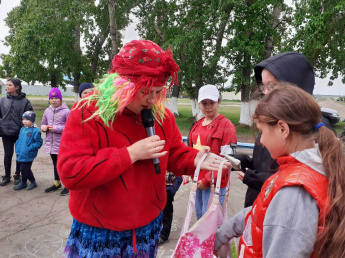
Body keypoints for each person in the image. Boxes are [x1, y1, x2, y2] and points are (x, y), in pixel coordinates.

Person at [57, 39, 230, 257]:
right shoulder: (89, 113)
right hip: (100, 229)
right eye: (145, 91)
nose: (152, 99)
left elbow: (174, 152)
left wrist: (195, 159)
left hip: (148, 226)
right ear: (122, 84)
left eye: (158, 91)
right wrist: (130, 154)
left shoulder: (161, 115)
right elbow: (71, 172)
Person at [215, 83, 345, 258]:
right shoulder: (302, 171)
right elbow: (264, 212)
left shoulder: (294, 192)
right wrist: (224, 232)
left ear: (283, 129)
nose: (261, 142)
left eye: (261, 132)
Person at [234, 52, 335, 208]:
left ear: (295, 85)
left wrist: (253, 178)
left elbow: (296, 181)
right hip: (258, 209)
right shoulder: (272, 119)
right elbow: (261, 162)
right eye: (264, 86)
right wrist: (236, 160)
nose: (265, 93)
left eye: (272, 86)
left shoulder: (313, 129)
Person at [188, 84, 237, 219]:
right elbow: (191, 151)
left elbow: (228, 161)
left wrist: (207, 180)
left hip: (214, 185)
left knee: (211, 225)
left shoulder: (226, 126)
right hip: (197, 181)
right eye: (204, 103)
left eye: (212, 102)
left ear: (219, 102)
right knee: (200, 221)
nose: (208, 106)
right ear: (199, 104)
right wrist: (188, 173)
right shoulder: (197, 124)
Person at [0, 78, 33, 186]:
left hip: (20, 133)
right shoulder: (3, 99)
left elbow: (30, 116)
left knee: (20, 154)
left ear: (17, 87)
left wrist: (23, 125)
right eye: (7, 85)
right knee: (8, 155)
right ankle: (6, 175)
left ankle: (17, 174)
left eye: (10, 85)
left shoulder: (25, 102)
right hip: (6, 132)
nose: (7, 87)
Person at [41, 88, 70, 196]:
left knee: (64, 165)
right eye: (51, 98)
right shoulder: (47, 111)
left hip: (62, 144)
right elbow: (43, 123)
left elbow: (70, 127)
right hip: (51, 144)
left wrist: (56, 128)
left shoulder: (66, 111)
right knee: (55, 164)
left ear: (60, 99)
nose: (54, 100)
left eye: (56, 98)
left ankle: (68, 186)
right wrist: (44, 127)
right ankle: (57, 183)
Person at [13, 111, 43, 190]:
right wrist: (17, 147)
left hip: (28, 154)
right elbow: (19, 140)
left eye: (27, 119)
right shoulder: (22, 129)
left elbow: (39, 142)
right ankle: (33, 182)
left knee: (24, 169)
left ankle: (23, 182)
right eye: (23, 119)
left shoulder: (35, 131)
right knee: (25, 169)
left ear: (32, 120)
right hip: (20, 153)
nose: (24, 121)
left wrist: (29, 148)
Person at [158, 172, 182, 245]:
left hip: (169, 188)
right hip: (157, 187)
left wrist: (172, 190)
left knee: (167, 213)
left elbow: (179, 177)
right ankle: (155, 233)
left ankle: (164, 236)